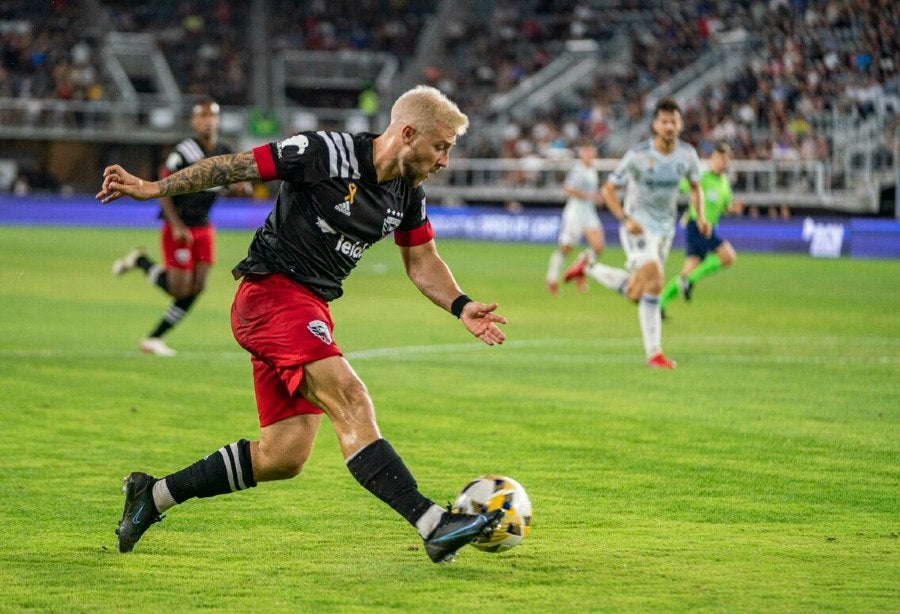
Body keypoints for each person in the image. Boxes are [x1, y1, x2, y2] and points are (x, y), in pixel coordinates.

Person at [96, 85, 508, 564]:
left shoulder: (407, 192)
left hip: (310, 308)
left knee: (283, 456)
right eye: (441, 147)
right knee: (350, 398)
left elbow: (421, 258)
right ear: (408, 133)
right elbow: (237, 165)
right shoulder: (324, 152)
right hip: (270, 295)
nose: (444, 161)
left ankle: (154, 494)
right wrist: (154, 187)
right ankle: (434, 524)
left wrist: (461, 305)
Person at [563, 98, 710, 369]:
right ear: (655, 124)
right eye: (664, 121)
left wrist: (700, 217)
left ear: (680, 124)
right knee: (655, 275)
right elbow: (608, 190)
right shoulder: (638, 156)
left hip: (664, 229)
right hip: (637, 226)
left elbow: (695, 187)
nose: (669, 126)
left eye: (674, 121)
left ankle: (589, 267)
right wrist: (624, 218)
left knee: (638, 291)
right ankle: (654, 353)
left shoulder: (687, 155)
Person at [111, 96, 250, 356]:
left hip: (204, 227)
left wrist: (241, 186)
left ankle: (153, 339)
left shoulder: (224, 151)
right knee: (179, 288)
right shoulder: (183, 153)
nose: (208, 122)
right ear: (194, 121)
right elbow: (163, 189)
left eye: (212, 116)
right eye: (203, 117)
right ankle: (141, 261)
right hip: (180, 226)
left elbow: (235, 182)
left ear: (218, 120)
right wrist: (175, 225)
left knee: (197, 287)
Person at [659, 141, 739, 316]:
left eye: (724, 160)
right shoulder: (701, 176)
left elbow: (725, 206)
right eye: (718, 159)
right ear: (711, 159)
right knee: (728, 256)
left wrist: (732, 209)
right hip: (697, 225)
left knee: (688, 269)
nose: (721, 163)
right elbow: (681, 186)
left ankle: (659, 302)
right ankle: (689, 281)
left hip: (709, 227)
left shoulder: (724, 183)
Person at [544, 143, 605, 294]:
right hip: (575, 212)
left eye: (592, 152)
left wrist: (596, 197)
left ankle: (579, 269)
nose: (590, 155)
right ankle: (551, 278)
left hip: (589, 212)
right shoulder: (577, 170)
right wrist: (589, 196)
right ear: (582, 154)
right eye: (588, 152)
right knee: (566, 248)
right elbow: (568, 189)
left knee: (598, 246)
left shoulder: (592, 170)